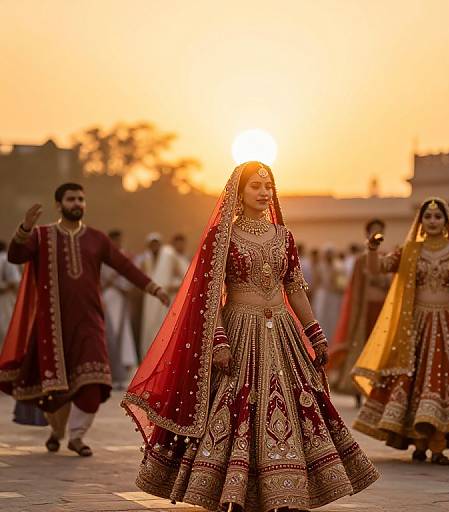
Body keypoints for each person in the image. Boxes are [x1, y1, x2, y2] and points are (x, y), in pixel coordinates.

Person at [122, 162, 378, 512]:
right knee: (237, 403)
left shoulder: (283, 237)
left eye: (268, 186)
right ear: (238, 194)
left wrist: (315, 333)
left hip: (283, 332)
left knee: (296, 403)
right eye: (255, 186)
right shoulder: (222, 237)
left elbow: (294, 287)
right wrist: (218, 340)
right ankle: (231, 489)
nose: (263, 192)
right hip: (240, 328)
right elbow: (208, 294)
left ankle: (286, 487)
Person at [0, 183, 169, 457]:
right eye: (71, 199)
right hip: (52, 325)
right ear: (59, 204)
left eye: (81, 199)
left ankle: (77, 436)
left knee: (93, 381)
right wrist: (25, 229)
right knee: (56, 387)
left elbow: (124, 267)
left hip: (90, 321)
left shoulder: (97, 239)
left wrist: (154, 288)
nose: (77, 203)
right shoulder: (42, 236)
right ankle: (57, 432)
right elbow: (15, 256)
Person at [351, 197, 449, 465]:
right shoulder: (409, 250)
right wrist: (372, 249)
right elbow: (376, 269)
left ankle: (437, 446)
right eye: (428, 217)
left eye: (438, 217)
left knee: (442, 385)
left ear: (446, 221)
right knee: (415, 384)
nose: (433, 221)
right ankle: (418, 442)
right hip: (416, 327)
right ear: (421, 221)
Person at [328, 219, 390, 406]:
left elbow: (392, 284)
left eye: (380, 231)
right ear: (367, 234)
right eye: (374, 231)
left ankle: (377, 392)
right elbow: (354, 289)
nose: (377, 234)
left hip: (381, 309)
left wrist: (382, 282)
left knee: (381, 350)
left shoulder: (387, 257)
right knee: (360, 349)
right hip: (364, 311)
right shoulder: (361, 260)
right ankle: (356, 391)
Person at [101, 230, 138, 390]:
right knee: (108, 333)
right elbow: (99, 277)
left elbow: (130, 279)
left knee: (122, 335)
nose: (117, 242)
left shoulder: (125, 256)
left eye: (118, 239)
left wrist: (119, 284)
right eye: (114, 240)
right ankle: (109, 372)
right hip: (107, 297)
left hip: (121, 299)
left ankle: (122, 373)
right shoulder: (103, 256)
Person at [139, 233, 175, 358]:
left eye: (156, 243)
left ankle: (165, 355)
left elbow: (181, 272)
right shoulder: (145, 258)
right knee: (149, 324)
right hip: (150, 297)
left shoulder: (169, 254)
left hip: (164, 295)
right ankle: (150, 356)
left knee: (164, 323)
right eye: (152, 243)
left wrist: (173, 285)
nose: (154, 246)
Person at [312, 247, 347, 340]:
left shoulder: (338, 266)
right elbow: (317, 282)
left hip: (334, 295)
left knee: (333, 316)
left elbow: (341, 282)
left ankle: (333, 338)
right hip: (323, 295)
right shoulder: (320, 266)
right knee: (322, 316)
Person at [0, 240, 21, 348]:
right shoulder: (5, 259)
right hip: (4, 298)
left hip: (4, 295)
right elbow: (14, 282)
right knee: (7, 330)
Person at [169, 233, 190, 307]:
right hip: (175, 291)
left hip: (186, 291)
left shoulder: (186, 257)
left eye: (182, 244)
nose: (180, 246)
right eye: (178, 244)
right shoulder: (171, 258)